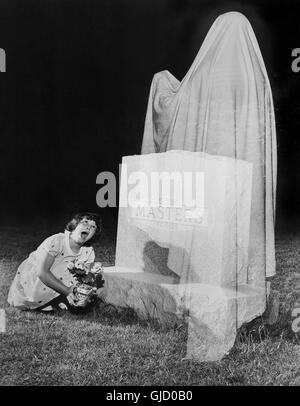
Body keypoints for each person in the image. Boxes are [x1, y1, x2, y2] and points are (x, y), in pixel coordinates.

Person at [141, 11, 277, 287]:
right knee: (240, 220)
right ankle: (242, 275)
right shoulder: (258, 77)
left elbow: (175, 110)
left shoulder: (207, 71)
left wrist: (161, 84)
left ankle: (204, 275)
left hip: (213, 174)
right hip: (246, 177)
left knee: (211, 222)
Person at [8, 212, 102, 313]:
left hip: (60, 283)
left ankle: (58, 300)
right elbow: (42, 272)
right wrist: (67, 292)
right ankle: (47, 301)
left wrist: (89, 283)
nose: (88, 227)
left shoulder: (88, 251)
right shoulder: (57, 241)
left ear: (93, 235)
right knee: (66, 269)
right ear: (74, 225)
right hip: (35, 281)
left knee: (82, 287)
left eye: (93, 227)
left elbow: (86, 279)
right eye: (85, 222)